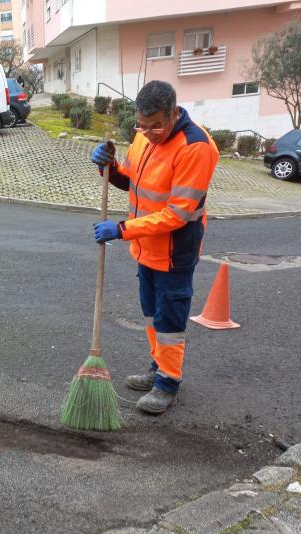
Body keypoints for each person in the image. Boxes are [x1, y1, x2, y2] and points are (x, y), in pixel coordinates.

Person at [90, 80, 219, 415]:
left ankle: (168, 383)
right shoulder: (145, 135)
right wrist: (108, 167)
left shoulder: (195, 147)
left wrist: (122, 229)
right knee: (151, 315)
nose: (147, 133)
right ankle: (157, 367)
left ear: (174, 113)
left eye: (155, 126)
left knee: (169, 321)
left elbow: (178, 213)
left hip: (175, 250)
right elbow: (132, 181)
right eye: (141, 126)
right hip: (146, 246)